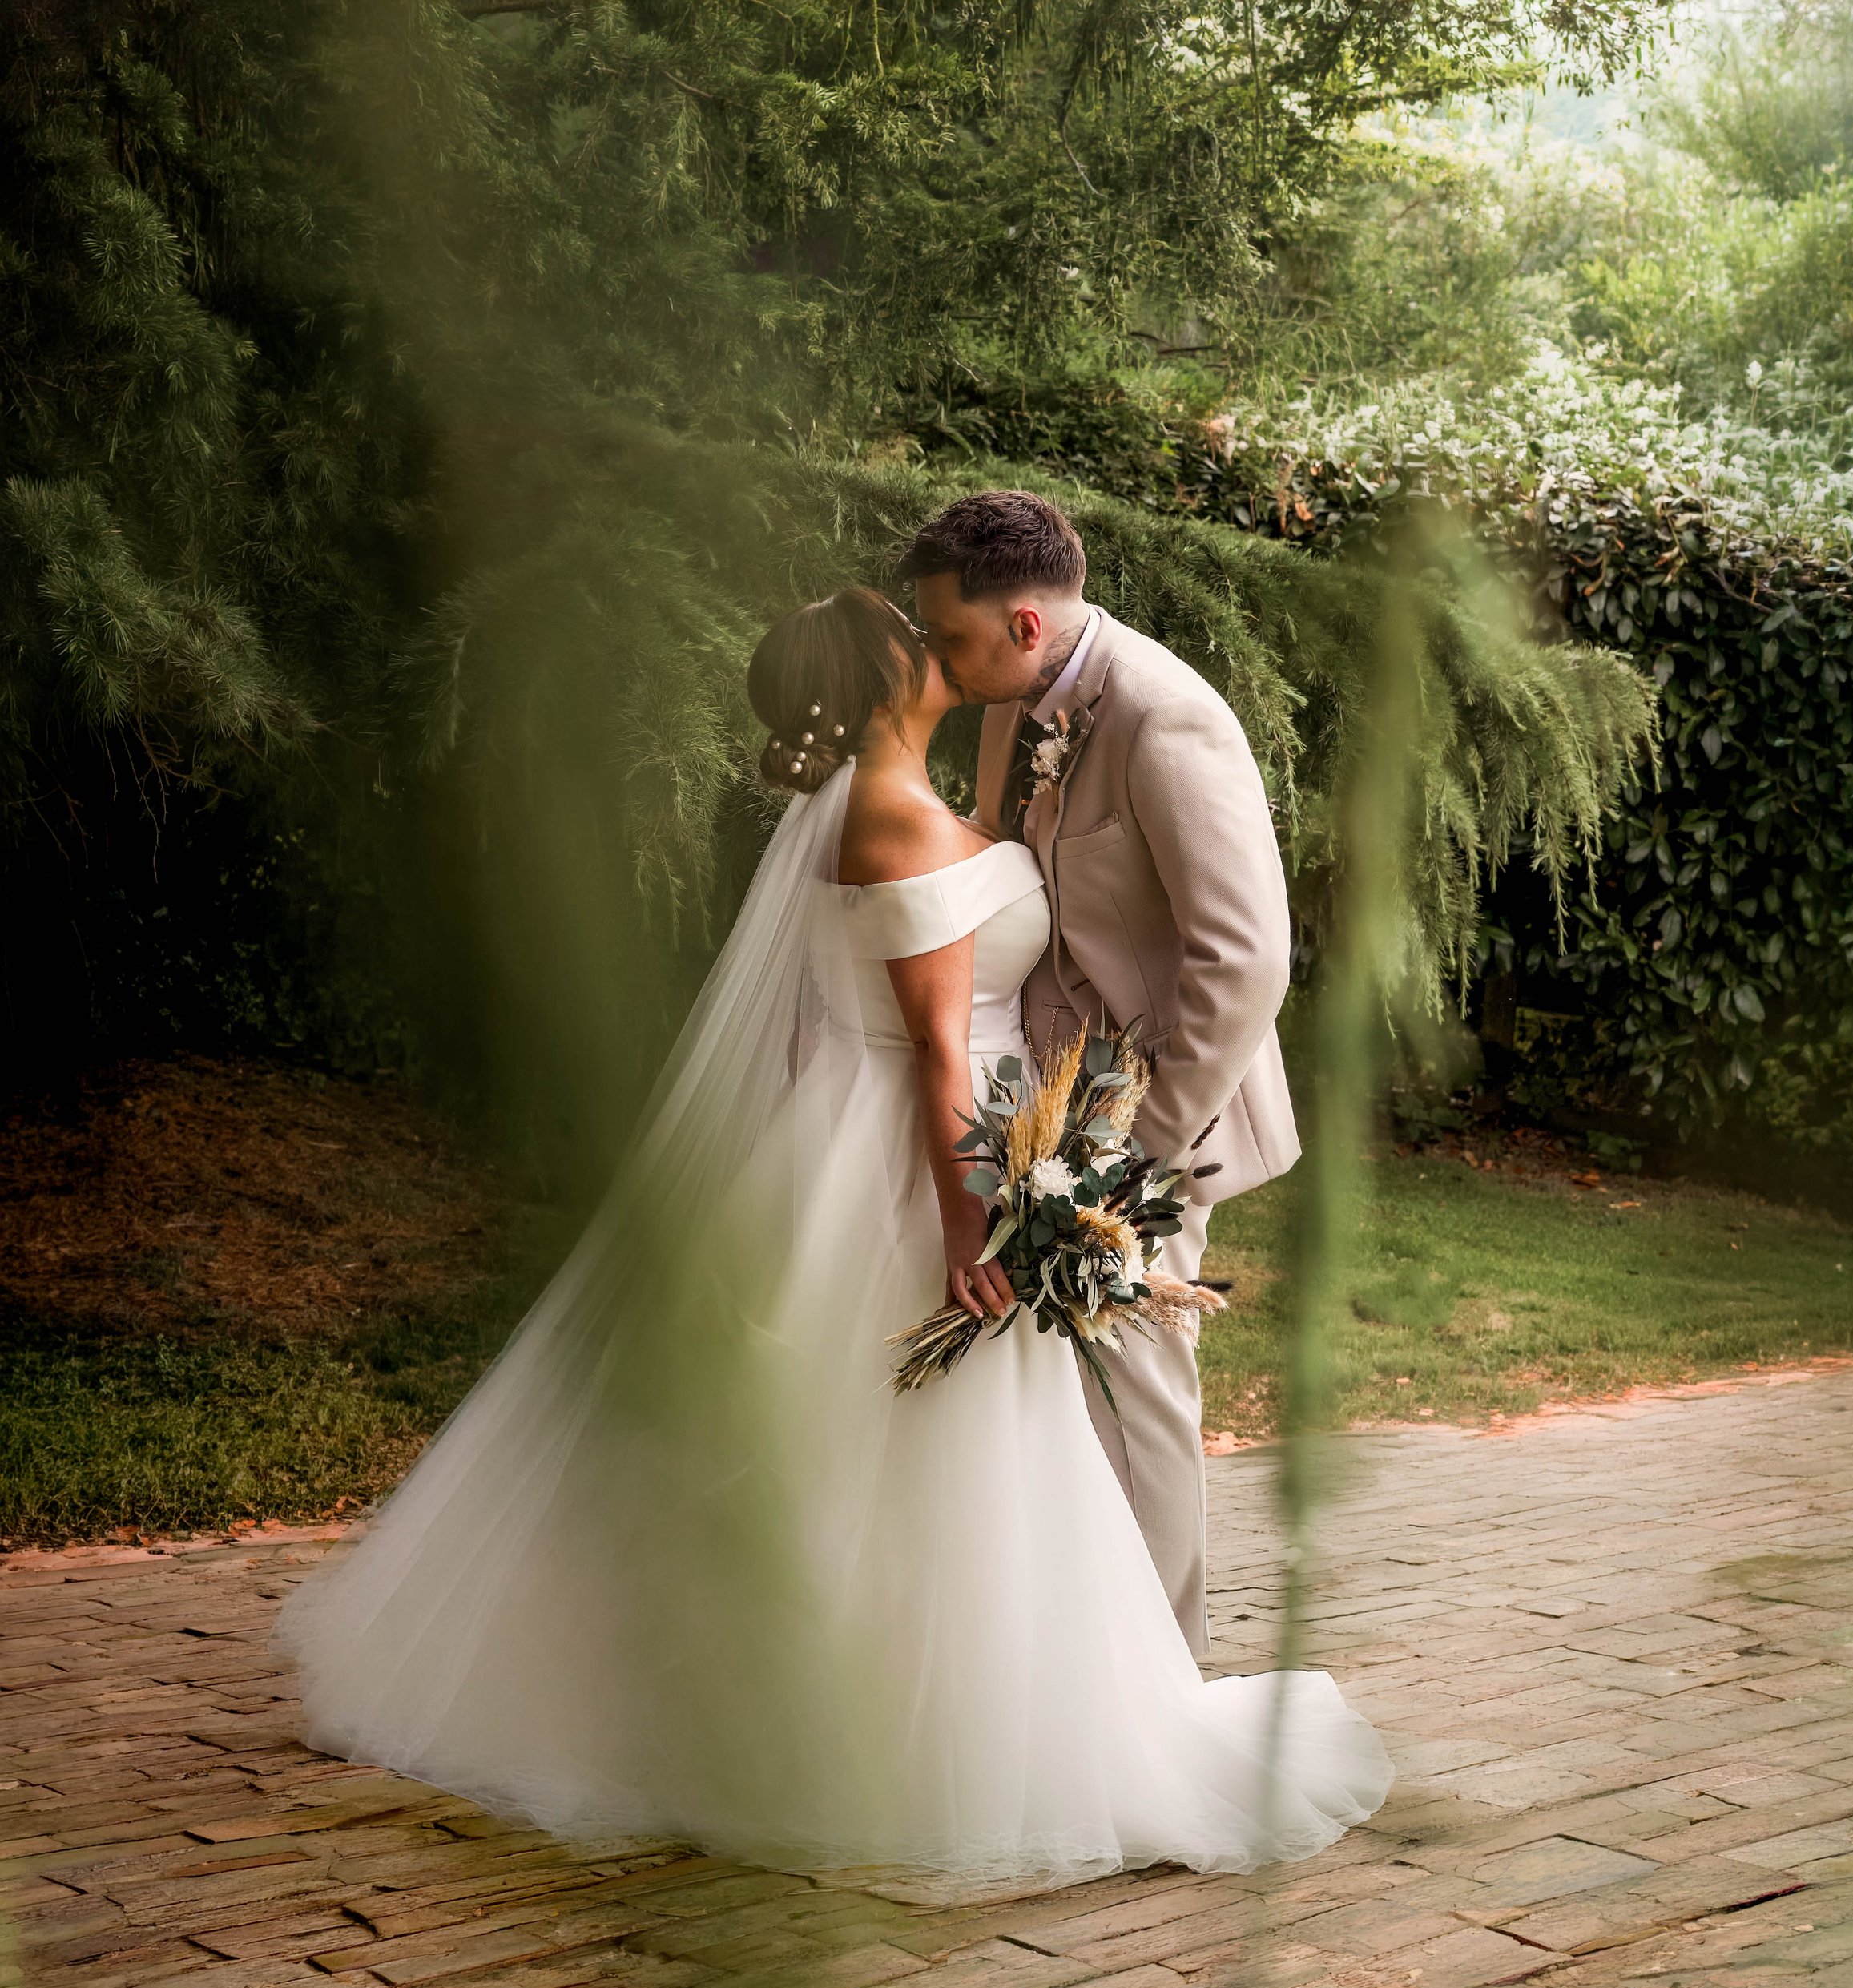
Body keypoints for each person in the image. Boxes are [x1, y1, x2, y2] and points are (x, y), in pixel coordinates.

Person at [276, 583, 1389, 1885]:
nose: (938, 652)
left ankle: (980, 1699)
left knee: (933, 1457)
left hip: (953, 1135)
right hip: (916, 1159)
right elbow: (929, 1060)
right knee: (898, 1451)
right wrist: (974, 1231)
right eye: (915, 644)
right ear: (878, 682)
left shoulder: (916, 794)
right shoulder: (889, 821)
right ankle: (884, 1735)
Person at [902, 492, 1298, 1656]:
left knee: (1134, 1401)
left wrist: (1132, 1155)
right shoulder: (1005, 706)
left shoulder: (1169, 720)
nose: (939, 660)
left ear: (1026, 625)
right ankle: (1076, 1682)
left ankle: (1166, 1693)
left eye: (953, 639)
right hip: (1040, 1112)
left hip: (1151, 1128)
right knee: (1059, 1409)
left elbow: (1246, 960)